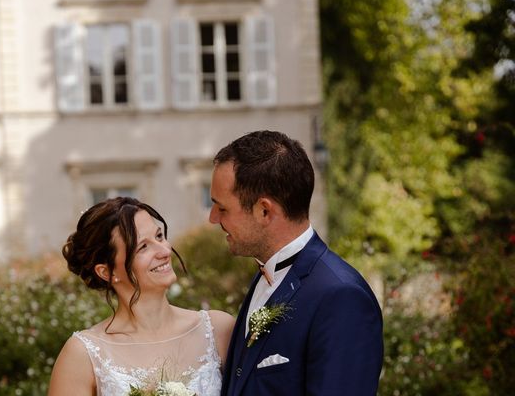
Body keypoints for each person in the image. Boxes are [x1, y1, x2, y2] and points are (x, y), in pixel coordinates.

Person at [209, 130, 383, 396]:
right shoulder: (265, 275)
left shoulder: (341, 297)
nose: (212, 218)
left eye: (222, 208)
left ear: (264, 210)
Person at [48, 197, 235, 396]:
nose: (164, 251)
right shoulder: (83, 354)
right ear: (107, 272)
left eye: (160, 236)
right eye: (143, 247)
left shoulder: (219, 330)